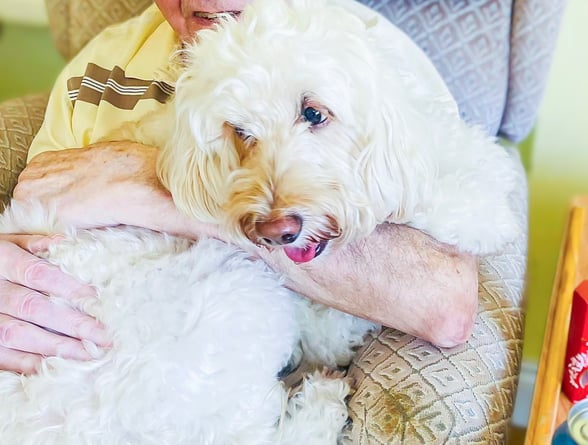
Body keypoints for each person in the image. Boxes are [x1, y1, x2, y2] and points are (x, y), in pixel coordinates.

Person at [0, 0, 479, 375]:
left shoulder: (363, 57)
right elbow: (32, 220)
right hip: (86, 359)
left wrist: (149, 185)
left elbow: (445, 305)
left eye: (312, 116)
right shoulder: (99, 71)